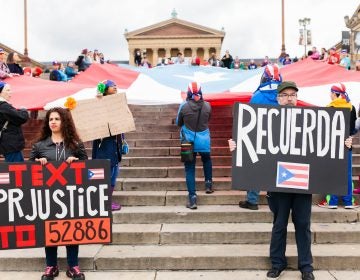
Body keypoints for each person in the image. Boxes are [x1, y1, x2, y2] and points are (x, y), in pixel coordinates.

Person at [229, 81, 353, 280]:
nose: (289, 98)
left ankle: (306, 267)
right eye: (285, 94)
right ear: (278, 99)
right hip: (278, 183)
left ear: (297, 98)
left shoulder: (310, 120)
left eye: (293, 95)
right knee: (279, 225)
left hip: (303, 184)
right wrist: (237, 145)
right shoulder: (267, 121)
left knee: (303, 225)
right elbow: (252, 142)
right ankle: (277, 263)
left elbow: (327, 142)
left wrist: (345, 143)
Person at [29, 107, 87, 280]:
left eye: (57, 119)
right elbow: (26, 172)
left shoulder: (76, 145)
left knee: (71, 229)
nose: (53, 122)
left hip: (70, 196)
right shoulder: (39, 146)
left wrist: (76, 162)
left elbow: (89, 169)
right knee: (49, 230)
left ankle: (73, 266)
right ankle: (51, 266)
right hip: (47, 196)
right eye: (50, 119)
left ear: (64, 122)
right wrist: (37, 163)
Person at [237, 64, 282, 210]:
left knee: (255, 169)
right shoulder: (285, 95)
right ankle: (275, 199)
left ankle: (253, 200)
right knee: (276, 169)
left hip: (259, 138)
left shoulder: (257, 96)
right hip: (279, 138)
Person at [317, 83, 358, 209]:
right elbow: (352, 129)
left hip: (333, 146)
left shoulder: (329, 108)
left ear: (335, 94)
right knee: (347, 174)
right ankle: (348, 202)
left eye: (331, 93)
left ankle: (332, 201)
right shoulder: (352, 107)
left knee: (333, 173)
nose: (330, 95)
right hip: (347, 145)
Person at [176, 82, 213, 210]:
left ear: (188, 93)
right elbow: (208, 119)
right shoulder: (208, 105)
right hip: (204, 140)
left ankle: (192, 198)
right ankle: (208, 184)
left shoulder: (183, 106)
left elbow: (178, 122)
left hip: (187, 140)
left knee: (189, 169)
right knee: (207, 160)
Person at [92, 80, 123, 211]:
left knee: (114, 174)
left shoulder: (116, 104)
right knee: (106, 175)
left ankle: (108, 201)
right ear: (105, 89)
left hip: (115, 146)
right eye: (112, 86)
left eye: (116, 85)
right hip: (104, 146)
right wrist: (98, 98)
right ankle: (103, 202)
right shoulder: (99, 103)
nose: (115, 87)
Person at [0, 81, 29, 162]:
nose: (10, 92)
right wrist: (23, 110)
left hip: (8, 144)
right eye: (8, 90)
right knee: (17, 171)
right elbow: (21, 117)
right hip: (11, 145)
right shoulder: (3, 106)